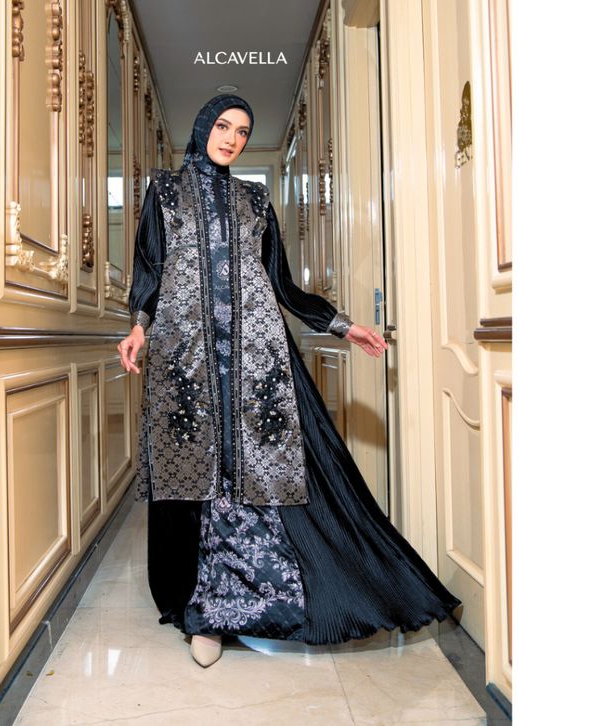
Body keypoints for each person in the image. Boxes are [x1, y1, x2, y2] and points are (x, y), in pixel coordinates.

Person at [119, 94, 461, 668]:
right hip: (185, 358)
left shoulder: (255, 198)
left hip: (256, 358)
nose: (231, 138)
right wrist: (138, 327)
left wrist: (343, 325)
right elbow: (149, 267)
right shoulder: (165, 191)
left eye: (242, 131)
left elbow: (283, 283)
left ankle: (240, 605)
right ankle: (198, 604)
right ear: (203, 127)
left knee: (255, 472)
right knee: (194, 475)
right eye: (223, 126)